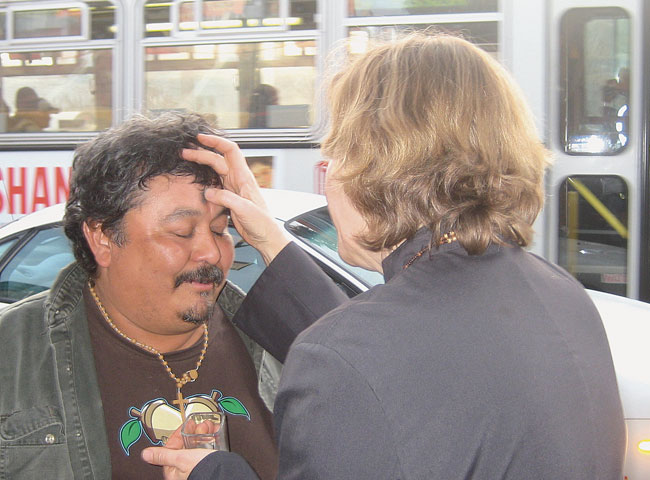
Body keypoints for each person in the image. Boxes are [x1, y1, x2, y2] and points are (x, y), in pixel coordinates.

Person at [143, 32, 626, 479]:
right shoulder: (560, 293)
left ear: (377, 168)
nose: (327, 176)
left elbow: (368, 365)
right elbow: (402, 370)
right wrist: (271, 238)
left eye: (336, 154)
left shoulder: (350, 356)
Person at [0, 112, 278, 479]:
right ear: (102, 237)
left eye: (220, 229)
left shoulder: (277, 341)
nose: (211, 253)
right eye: (181, 232)